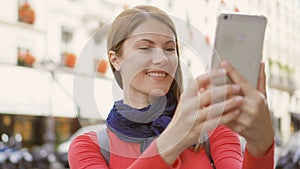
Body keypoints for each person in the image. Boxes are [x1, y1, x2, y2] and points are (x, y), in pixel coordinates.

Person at [68, 5, 275, 169]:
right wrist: (174, 137)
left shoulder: (214, 132)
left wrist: (261, 146)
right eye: (145, 47)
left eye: (169, 48)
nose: (162, 59)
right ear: (115, 60)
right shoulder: (89, 146)